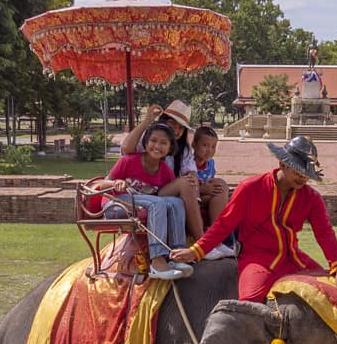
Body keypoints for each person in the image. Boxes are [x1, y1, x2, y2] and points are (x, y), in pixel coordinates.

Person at [170, 135, 337, 301]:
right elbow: (224, 224)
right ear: (282, 163)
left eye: (306, 175)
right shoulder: (250, 188)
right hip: (257, 259)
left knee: (335, 294)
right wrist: (196, 251)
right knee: (249, 303)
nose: (302, 179)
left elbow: (324, 233)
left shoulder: (311, 198)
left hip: (294, 259)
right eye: (298, 173)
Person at [93, 122, 193, 280]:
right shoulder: (128, 161)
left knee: (175, 203)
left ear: (169, 149)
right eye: (153, 141)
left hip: (141, 205)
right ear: (145, 143)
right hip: (116, 204)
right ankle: (157, 260)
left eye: (163, 143)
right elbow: (99, 184)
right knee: (157, 203)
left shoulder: (165, 172)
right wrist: (115, 183)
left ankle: (177, 254)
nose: (157, 146)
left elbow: (168, 198)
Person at [121, 101, 205, 242]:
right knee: (185, 184)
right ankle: (202, 241)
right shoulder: (150, 140)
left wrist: (195, 189)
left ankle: (222, 239)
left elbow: (191, 174)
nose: (177, 131)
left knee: (218, 186)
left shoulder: (182, 149)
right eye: (173, 125)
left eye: (181, 128)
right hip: (145, 190)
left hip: (167, 189)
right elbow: (126, 149)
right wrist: (147, 120)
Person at [191, 125, 235, 260]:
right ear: (194, 145)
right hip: (193, 198)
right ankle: (213, 240)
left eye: (213, 147)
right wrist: (203, 189)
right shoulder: (189, 162)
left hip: (206, 197)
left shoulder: (210, 164)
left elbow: (211, 183)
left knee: (221, 186)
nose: (209, 150)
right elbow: (189, 187)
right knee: (220, 187)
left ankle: (218, 240)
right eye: (205, 145)